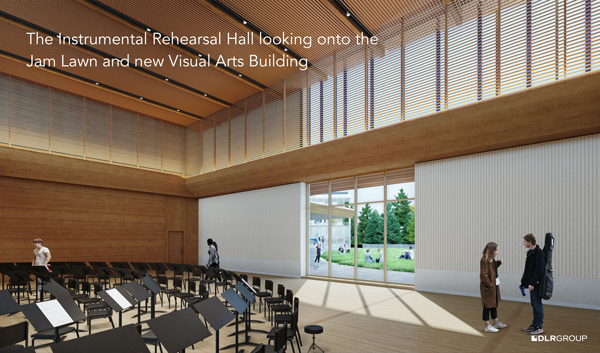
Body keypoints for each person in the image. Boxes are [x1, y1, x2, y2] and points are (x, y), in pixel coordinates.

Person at [520, 233, 545, 335]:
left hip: (536, 284)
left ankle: (539, 327)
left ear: (530, 242)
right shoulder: (530, 252)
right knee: (534, 305)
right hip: (530, 283)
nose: (523, 243)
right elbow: (528, 270)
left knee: (537, 305)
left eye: (525, 241)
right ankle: (534, 325)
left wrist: (533, 283)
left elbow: (539, 270)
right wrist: (522, 281)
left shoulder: (539, 253)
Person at [479, 242, 507, 332]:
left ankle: (496, 322)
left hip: (494, 285)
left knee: (494, 304)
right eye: (496, 250)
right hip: (488, 287)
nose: (497, 252)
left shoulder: (492, 259)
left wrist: (498, 263)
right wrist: (490, 285)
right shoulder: (484, 260)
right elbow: (484, 276)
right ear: (491, 250)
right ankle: (487, 325)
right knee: (487, 305)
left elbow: (492, 270)